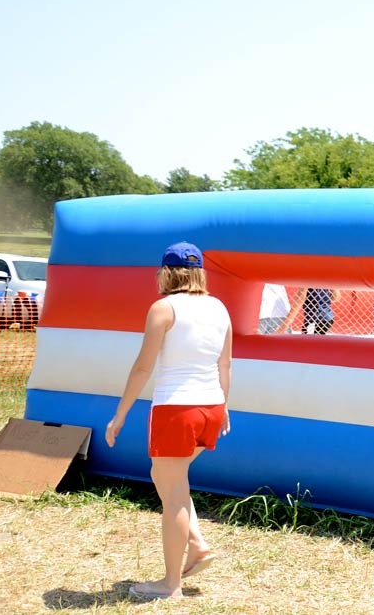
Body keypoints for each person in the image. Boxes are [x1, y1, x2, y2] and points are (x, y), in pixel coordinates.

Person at [105, 241, 232, 601]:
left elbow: (144, 366)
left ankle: (171, 584)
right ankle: (196, 545)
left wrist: (121, 413)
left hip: (177, 408)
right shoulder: (219, 308)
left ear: (166, 272)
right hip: (210, 406)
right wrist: (224, 407)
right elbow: (225, 365)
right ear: (199, 272)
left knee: (172, 493)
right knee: (168, 478)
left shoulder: (163, 308)